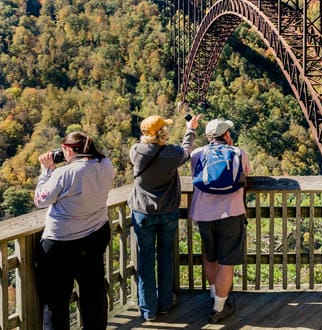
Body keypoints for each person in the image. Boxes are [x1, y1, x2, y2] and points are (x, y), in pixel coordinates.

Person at [34, 131, 115, 330]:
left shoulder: (65, 173)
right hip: (95, 234)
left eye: (64, 151)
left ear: (69, 150)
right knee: (93, 291)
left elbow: (40, 200)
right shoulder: (105, 164)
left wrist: (47, 171)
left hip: (61, 243)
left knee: (55, 300)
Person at [128, 114, 201, 321]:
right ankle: (165, 303)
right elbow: (186, 151)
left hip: (142, 212)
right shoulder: (171, 154)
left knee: (146, 259)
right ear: (163, 133)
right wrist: (190, 129)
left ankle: (148, 309)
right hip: (168, 211)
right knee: (166, 256)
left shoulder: (136, 151)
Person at [189, 117, 250, 324]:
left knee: (210, 255)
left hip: (204, 214)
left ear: (208, 137)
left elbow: (196, 178)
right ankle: (219, 308)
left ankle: (215, 295)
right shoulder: (239, 153)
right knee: (226, 262)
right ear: (226, 135)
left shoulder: (197, 154)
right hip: (231, 213)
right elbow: (244, 178)